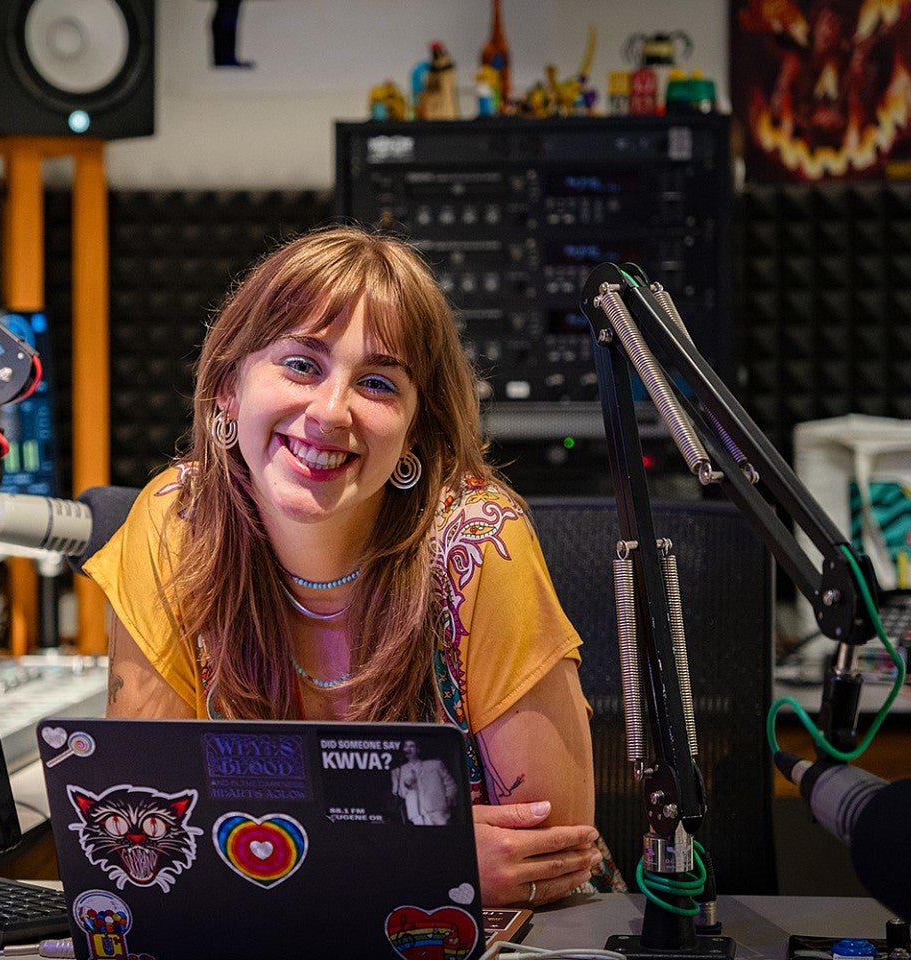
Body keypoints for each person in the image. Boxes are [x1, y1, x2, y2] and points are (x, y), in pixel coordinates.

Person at [86, 225, 620, 906]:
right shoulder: (172, 524)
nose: (330, 413)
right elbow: (149, 840)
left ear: (414, 434)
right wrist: (418, 859)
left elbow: (555, 854)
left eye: (376, 383)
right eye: (301, 365)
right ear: (228, 388)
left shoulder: (479, 545)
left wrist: (291, 865)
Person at [392, 739, 459, 825]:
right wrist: (407, 784)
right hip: (416, 814)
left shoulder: (435, 765)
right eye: (405, 746)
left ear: (418, 749)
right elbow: (399, 793)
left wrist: (449, 799)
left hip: (438, 811)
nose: (408, 749)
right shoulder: (399, 771)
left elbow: (450, 785)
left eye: (411, 746)